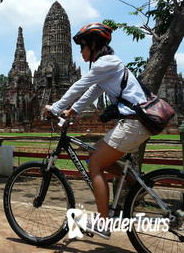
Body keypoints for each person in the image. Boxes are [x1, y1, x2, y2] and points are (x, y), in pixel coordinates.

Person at [43, 22, 152, 238]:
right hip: (134, 123)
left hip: (133, 123)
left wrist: (56, 107)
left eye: (82, 47)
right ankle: (133, 181)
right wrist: (71, 112)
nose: (81, 52)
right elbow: (92, 92)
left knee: (94, 163)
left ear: (93, 45)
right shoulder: (106, 67)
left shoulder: (106, 63)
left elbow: (80, 85)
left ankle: (103, 223)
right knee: (95, 154)